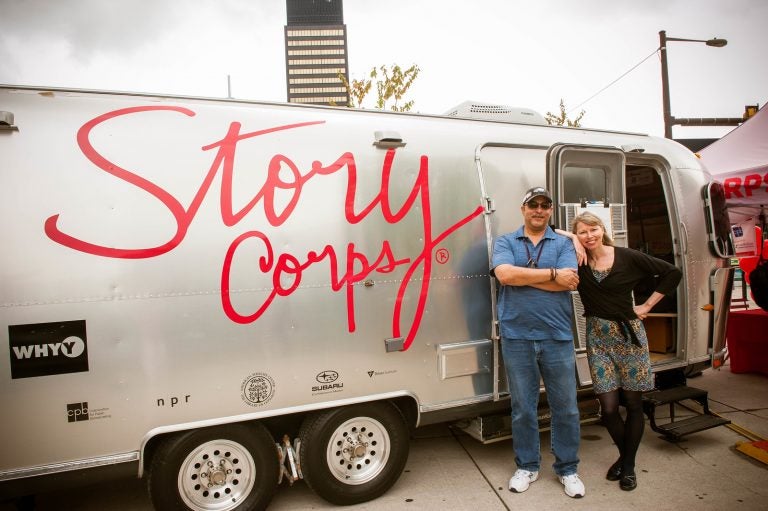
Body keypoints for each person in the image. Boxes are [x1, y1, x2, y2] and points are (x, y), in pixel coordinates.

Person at [570, 211, 681, 491]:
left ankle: (627, 466)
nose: (589, 235)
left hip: (629, 339)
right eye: (582, 232)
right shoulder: (579, 259)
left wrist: (646, 306)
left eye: (593, 229)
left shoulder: (627, 256)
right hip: (598, 339)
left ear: (602, 228)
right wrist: (570, 236)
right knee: (608, 409)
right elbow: (553, 229)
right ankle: (626, 456)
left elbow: (672, 273)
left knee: (632, 404)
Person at [491, 186, 586, 499]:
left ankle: (567, 468)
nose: (539, 210)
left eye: (545, 205)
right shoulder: (505, 241)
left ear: (550, 211)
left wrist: (531, 276)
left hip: (556, 337)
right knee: (523, 409)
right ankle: (527, 465)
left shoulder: (562, 242)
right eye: (533, 204)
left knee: (566, 408)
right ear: (523, 209)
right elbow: (504, 275)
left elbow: (569, 282)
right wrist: (551, 275)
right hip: (516, 336)